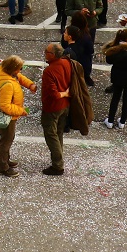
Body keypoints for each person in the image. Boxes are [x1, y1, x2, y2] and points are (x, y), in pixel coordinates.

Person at [0, 55, 35, 177]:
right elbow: (4, 106)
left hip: (10, 116)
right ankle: (3, 166)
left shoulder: (7, 74)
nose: (20, 71)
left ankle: (6, 159)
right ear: (13, 69)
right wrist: (20, 111)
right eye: (19, 69)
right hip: (8, 116)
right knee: (6, 141)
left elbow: (19, 77)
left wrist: (30, 84)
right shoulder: (7, 85)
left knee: (7, 139)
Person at [39, 42, 72, 175]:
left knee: (51, 134)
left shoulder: (49, 71)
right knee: (58, 133)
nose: (44, 54)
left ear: (52, 55)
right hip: (65, 105)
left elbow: (54, 94)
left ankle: (58, 165)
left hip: (52, 107)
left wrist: (63, 93)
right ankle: (58, 157)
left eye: (46, 52)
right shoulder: (67, 63)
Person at [102, 28, 127, 128]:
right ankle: (122, 122)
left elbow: (109, 60)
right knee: (126, 99)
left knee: (115, 97)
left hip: (118, 77)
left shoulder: (114, 49)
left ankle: (110, 121)